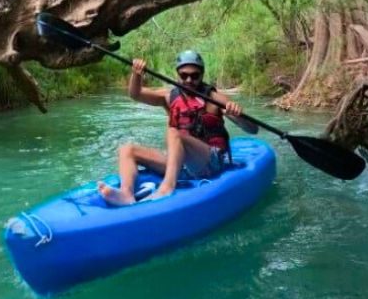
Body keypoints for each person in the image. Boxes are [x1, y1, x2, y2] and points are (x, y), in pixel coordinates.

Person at [97, 50, 258, 205]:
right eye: (184, 75)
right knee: (127, 149)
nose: (189, 80)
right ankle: (126, 193)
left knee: (175, 132)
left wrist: (238, 115)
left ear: (202, 75)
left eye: (194, 76)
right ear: (177, 74)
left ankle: (167, 187)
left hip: (211, 162)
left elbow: (253, 129)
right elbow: (136, 94)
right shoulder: (168, 96)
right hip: (180, 164)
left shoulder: (214, 99)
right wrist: (136, 74)